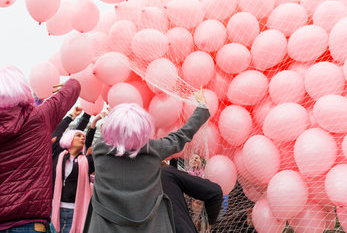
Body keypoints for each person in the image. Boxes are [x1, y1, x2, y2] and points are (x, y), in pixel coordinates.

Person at [0, 65, 80, 233]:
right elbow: (74, 87)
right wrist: (67, 84)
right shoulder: (40, 117)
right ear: (22, 90)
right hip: (29, 223)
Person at [83, 91, 210, 233]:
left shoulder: (100, 149)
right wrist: (202, 109)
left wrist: (113, 119)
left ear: (111, 127)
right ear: (142, 128)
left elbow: (108, 137)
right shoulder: (154, 149)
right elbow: (181, 136)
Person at [51, 113, 104, 233]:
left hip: (75, 212)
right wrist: (76, 116)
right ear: (69, 139)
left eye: (83, 137)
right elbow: (57, 133)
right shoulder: (58, 156)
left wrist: (104, 132)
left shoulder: (86, 162)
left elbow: (100, 150)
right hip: (54, 209)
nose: (82, 138)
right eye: (78, 136)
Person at [160, 165, 223, 233]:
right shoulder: (164, 174)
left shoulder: (163, 175)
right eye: (197, 203)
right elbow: (215, 192)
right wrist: (206, 223)